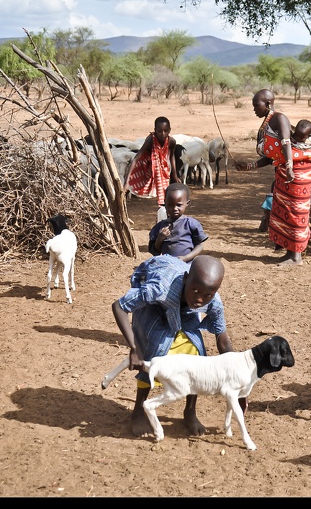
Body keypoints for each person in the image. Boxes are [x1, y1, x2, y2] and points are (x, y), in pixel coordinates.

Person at [111, 254, 244, 437]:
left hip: (184, 309)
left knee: (197, 355)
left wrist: (238, 379)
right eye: (195, 290)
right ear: (186, 278)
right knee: (152, 354)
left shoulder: (212, 300)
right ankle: (139, 409)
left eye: (207, 295)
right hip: (154, 306)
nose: (200, 299)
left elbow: (223, 339)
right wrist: (135, 348)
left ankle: (190, 411)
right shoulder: (160, 287)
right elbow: (119, 306)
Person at [235, 90, 311, 266]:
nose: (254, 109)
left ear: (267, 104)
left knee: (295, 212)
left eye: (256, 105)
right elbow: (273, 156)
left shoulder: (279, 118)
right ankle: (290, 253)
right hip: (285, 172)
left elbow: (286, 143)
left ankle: (296, 257)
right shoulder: (268, 123)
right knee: (286, 212)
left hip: (296, 173)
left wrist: (289, 167)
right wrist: (249, 167)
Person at [125, 116, 181, 221]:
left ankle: (164, 217)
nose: (163, 134)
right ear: (155, 130)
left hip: (162, 168)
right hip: (146, 166)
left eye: (165, 131)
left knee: (165, 194)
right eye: (159, 131)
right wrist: (126, 182)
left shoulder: (171, 141)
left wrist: (174, 174)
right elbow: (137, 157)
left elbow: (172, 155)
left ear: (169, 130)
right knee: (134, 185)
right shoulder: (151, 139)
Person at [147, 182, 208, 262]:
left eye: (179, 205)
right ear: (165, 203)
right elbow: (155, 251)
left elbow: (199, 246)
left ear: (187, 203)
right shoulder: (159, 227)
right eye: (170, 205)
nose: (175, 208)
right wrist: (160, 238)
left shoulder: (191, 224)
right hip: (167, 264)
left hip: (187, 265)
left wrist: (185, 258)